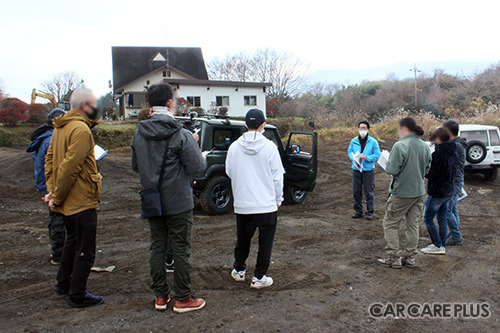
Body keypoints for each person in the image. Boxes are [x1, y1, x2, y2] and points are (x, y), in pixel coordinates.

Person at [131, 83, 207, 313]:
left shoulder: (139, 134)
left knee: (157, 248)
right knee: (181, 249)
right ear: (168, 103)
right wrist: (194, 144)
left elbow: (136, 167)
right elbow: (199, 167)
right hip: (179, 202)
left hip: (152, 199)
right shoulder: (181, 135)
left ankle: (161, 297)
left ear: (149, 105)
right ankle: (183, 298)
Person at [44, 87, 104, 308]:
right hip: (80, 200)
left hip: (67, 200)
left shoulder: (60, 127)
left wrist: (52, 191)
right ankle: (77, 294)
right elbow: (70, 167)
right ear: (84, 106)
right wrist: (56, 196)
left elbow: (50, 161)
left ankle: (63, 284)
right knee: (85, 249)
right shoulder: (80, 130)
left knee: (72, 242)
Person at [226, 109, 285, 289]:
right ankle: (259, 277)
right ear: (263, 125)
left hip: (244, 204)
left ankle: (239, 270)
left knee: (242, 239)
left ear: (245, 125)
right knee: (265, 243)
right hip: (266, 204)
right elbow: (277, 176)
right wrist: (278, 197)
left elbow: (229, 171)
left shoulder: (234, 147)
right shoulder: (270, 147)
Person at [377, 117, 431, 269]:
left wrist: (388, 163)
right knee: (412, 225)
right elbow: (427, 169)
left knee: (390, 224)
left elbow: (392, 170)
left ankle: (394, 257)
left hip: (401, 193)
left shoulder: (400, 146)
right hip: (419, 192)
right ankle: (410, 257)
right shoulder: (425, 146)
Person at [27, 108, 66, 265]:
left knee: (55, 217)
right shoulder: (52, 140)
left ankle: (58, 253)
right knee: (58, 219)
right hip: (54, 186)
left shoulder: (44, 138)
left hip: (47, 184)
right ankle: (59, 255)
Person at [420, 127, 458, 255]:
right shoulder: (453, 151)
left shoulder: (438, 154)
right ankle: (442, 244)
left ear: (438, 138)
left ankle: (437, 244)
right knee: (442, 218)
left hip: (437, 192)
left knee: (428, 218)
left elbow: (432, 174)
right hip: (449, 191)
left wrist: (425, 169)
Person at [347, 120, 381, 220]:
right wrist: (353, 157)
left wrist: (367, 157)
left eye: (364, 128)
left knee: (369, 191)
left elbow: (377, 154)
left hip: (368, 170)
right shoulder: (353, 141)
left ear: (368, 129)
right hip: (356, 169)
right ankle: (358, 211)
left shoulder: (373, 141)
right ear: (358, 129)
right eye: (361, 128)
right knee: (356, 191)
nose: (362, 130)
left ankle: (370, 211)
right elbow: (349, 151)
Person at [443, 120, 467, 246]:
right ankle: (453, 232)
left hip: (453, 181)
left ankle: (456, 236)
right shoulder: (458, 144)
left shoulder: (455, 146)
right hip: (456, 180)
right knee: (452, 208)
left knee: (447, 209)